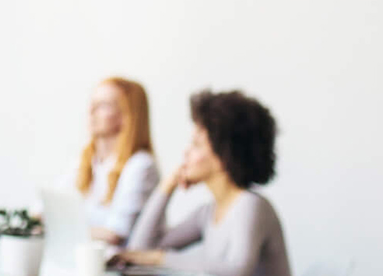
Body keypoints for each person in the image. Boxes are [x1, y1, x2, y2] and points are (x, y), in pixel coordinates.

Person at [113, 89, 291, 276]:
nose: (186, 153)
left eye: (196, 145)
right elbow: (140, 250)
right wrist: (167, 186)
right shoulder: (207, 213)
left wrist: (159, 257)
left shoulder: (251, 205)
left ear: (224, 156)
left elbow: (237, 270)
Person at [72, 77, 160, 246]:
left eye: (103, 105)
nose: (91, 110)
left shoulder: (141, 166)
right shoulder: (88, 161)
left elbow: (117, 233)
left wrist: (59, 229)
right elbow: (46, 206)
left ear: (127, 116)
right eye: (92, 103)